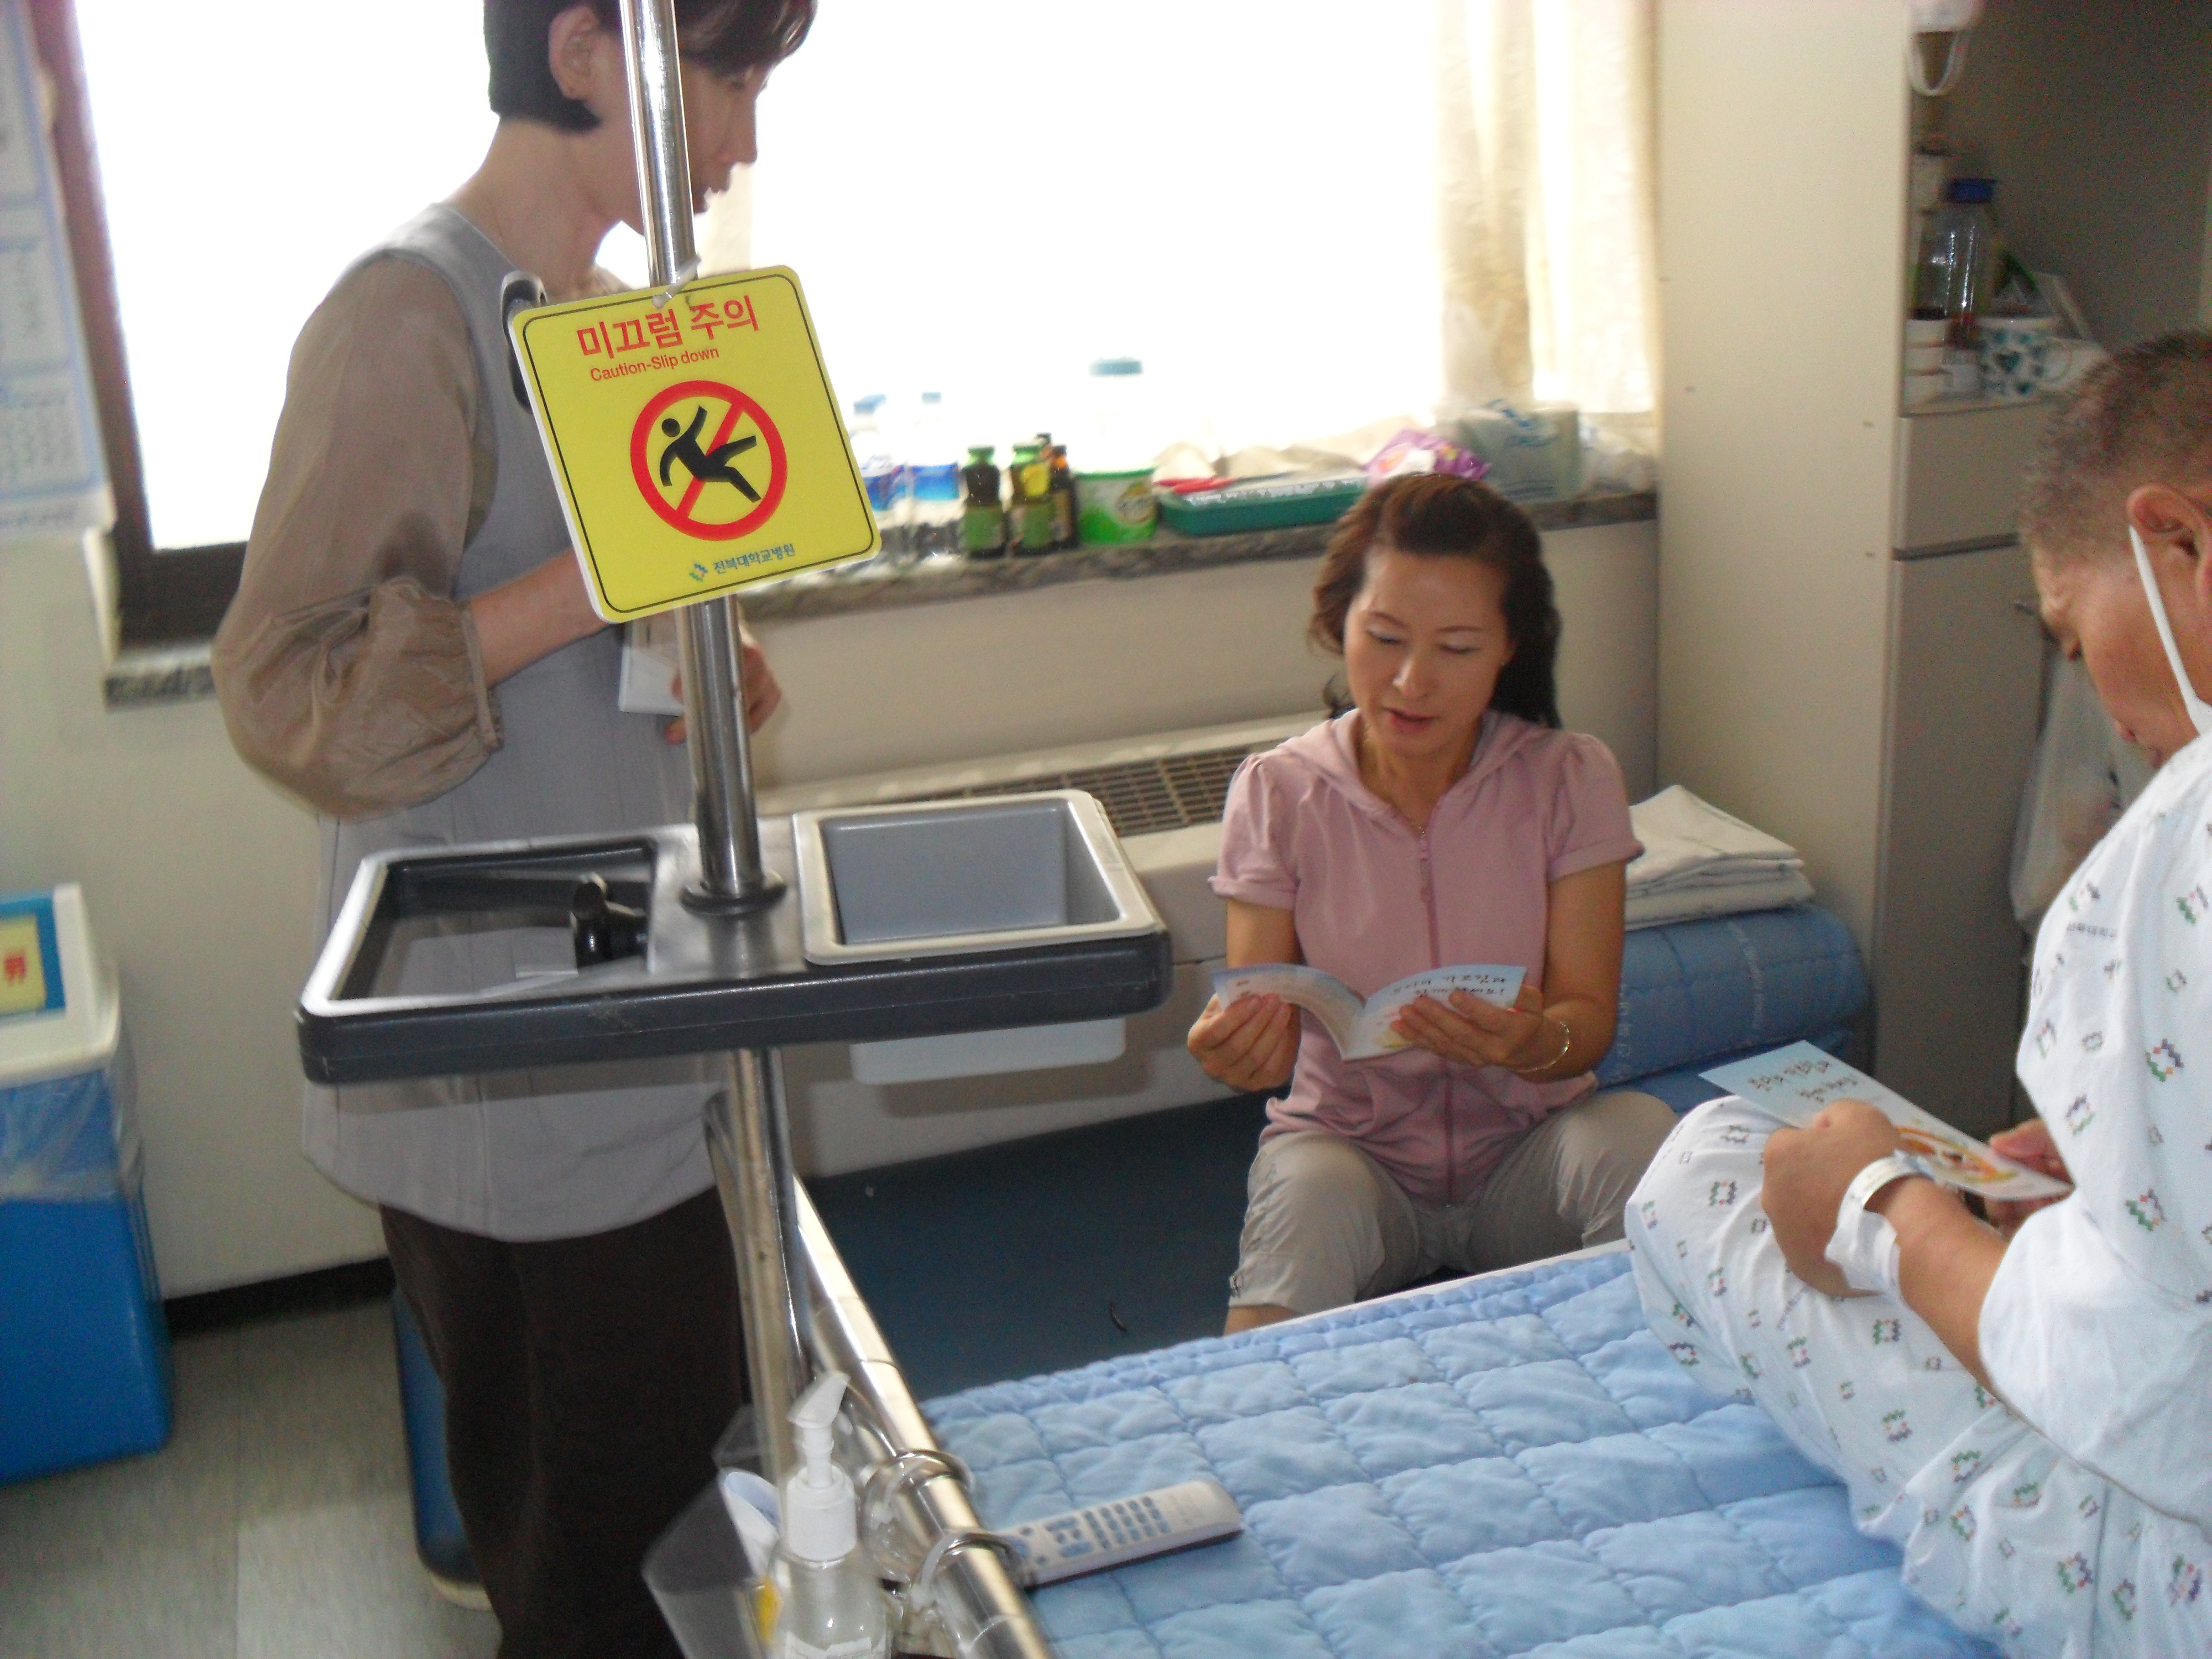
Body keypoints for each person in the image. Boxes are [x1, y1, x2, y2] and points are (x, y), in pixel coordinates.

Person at [210, 3, 811, 1655]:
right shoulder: (406, 315)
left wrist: (692, 649)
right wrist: (599, 584)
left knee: (696, 1515)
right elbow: (289, 686)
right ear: (586, 50)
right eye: (728, 77)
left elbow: (586, 621)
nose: (743, 137)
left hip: (641, 1015)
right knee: (592, 1569)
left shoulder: (613, 321)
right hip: (504, 1068)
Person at [1627, 333, 2212, 1657]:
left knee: (1705, 1171)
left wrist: (1876, 1213)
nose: (2104, 706)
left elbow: (2126, 1378)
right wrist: (2117, 1185)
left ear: (2175, 541)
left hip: (2163, 1568)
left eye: (2069, 634)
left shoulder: (2187, 852)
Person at [1187, 472, 1676, 1333]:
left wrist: (1536, 1042)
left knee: (1641, 1132)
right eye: (1383, 638)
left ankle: (1664, 1383)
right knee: (1304, 1189)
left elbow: (1587, 1021)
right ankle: (1244, 1414)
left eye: (1456, 648)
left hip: (1527, 1162)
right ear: (1337, 623)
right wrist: (1237, 1051)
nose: (1412, 681)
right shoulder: (1279, 791)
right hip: (1354, 1162)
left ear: (1509, 648)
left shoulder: (1571, 776)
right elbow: (1265, 1034)